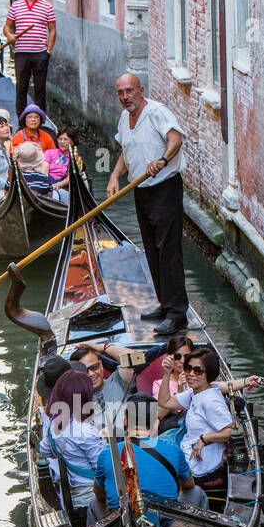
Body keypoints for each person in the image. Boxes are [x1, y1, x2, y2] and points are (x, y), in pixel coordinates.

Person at [106, 73, 188, 337]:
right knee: (152, 250)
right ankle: (165, 304)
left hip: (165, 189)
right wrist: (114, 176)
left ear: (140, 90)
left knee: (168, 250)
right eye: (121, 92)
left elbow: (175, 138)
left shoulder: (157, 112)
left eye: (129, 91)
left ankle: (177, 314)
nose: (125, 97)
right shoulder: (124, 118)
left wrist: (162, 161)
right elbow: (126, 152)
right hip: (141, 191)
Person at [93, 397, 204, 513]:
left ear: (125, 421)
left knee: (94, 504)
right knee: (196, 491)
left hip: (121, 525)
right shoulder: (173, 450)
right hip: (166, 525)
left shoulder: (107, 453)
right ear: (156, 423)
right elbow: (189, 484)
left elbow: (99, 493)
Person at [156, 345, 241, 491]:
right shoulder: (194, 393)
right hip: (185, 457)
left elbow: (232, 431)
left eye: (198, 370)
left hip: (199, 468)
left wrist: (205, 439)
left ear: (210, 373)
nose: (190, 374)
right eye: (188, 368)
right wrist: (167, 373)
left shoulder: (211, 400)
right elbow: (165, 402)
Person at [41, 370, 104, 522]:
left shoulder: (55, 425)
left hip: (74, 498)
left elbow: (44, 450)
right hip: (94, 498)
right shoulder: (84, 431)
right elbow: (102, 467)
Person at [4, 0, 56, 116]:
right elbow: (6, 27)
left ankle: (40, 119)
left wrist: (48, 51)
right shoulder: (16, 6)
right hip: (21, 53)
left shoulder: (47, 7)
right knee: (21, 88)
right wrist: (10, 36)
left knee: (40, 88)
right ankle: (21, 119)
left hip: (40, 53)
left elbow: (52, 30)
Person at [68, 343, 139, 437]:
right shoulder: (74, 401)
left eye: (94, 367)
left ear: (101, 365)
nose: (91, 374)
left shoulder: (118, 379)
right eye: (84, 371)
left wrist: (102, 347)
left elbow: (135, 357)